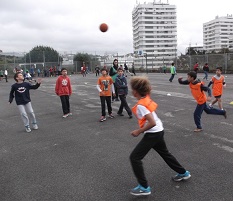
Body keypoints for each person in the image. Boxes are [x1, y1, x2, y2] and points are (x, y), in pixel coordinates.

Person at [129, 76, 191, 196]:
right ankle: (183, 173)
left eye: (132, 88)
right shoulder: (145, 98)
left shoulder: (141, 104)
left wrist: (139, 131)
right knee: (165, 154)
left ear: (135, 91)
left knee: (135, 158)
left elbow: (152, 122)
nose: (131, 91)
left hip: (153, 133)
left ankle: (144, 187)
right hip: (159, 130)